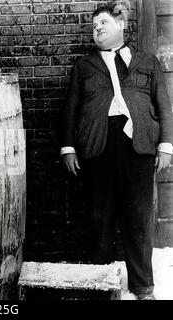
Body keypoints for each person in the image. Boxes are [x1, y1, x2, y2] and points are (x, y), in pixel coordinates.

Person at [61, 4, 173, 300]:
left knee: (138, 219)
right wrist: (68, 148)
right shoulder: (84, 66)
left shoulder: (147, 62)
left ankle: (142, 286)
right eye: (94, 25)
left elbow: (164, 106)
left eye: (103, 23)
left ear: (121, 25)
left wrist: (166, 146)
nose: (96, 29)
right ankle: (103, 285)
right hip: (98, 147)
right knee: (100, 220)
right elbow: (70, 110)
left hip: (138, 148)